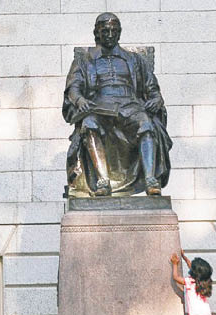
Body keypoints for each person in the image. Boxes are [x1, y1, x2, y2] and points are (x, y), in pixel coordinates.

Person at [62, 12, 172, 197]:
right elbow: (74, 87)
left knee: (146, 123)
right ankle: (102, 180)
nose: (110, 34)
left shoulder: (135, 60)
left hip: (130, 106)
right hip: (100, 107)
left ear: (119, 33)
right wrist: (80, 100)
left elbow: (152, 89)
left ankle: (150, 179)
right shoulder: (84, 60)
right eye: (105, 30)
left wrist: (156, 99)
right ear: (97, 32)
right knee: (89, 123)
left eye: (114, 30)